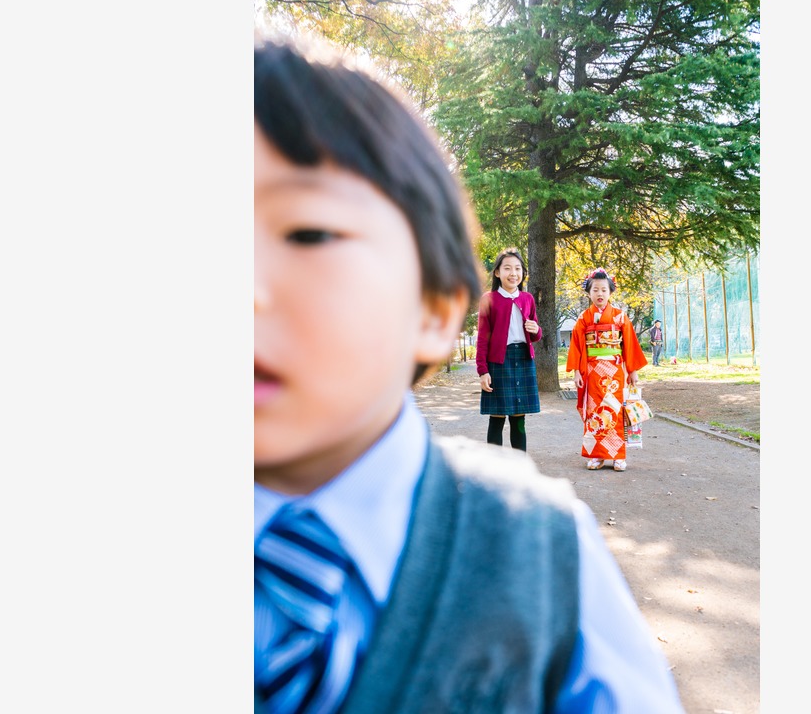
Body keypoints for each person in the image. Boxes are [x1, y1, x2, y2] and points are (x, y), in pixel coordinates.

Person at [254, 37, 685, 713]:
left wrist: (563, 346)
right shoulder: (496, 305)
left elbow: (587, 339)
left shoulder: (540, 556)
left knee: (531, 419)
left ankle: (547, 456)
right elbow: (494, 333)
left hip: (566, 367)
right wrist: (490, 364)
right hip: (517, 365)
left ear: (432, 307)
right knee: (504, 410)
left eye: (308, 233)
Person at [566, 269, 648, 472]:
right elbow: (577, 345)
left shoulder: (620, 317)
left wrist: (632, 371)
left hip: (614, 370)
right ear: (589, 293)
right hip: (592, 371)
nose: (600, 294)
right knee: (595, 413)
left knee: (615, 411)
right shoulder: (583, 318)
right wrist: (576, 371)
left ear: (610, 292)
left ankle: (618, 456)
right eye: (595, 290)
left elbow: (628, 344)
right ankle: (596, 455)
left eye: (604, 289)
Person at [475, 247, 542, 450]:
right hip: (498, 362)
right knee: (496, 417)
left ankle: (520, 466)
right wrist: (482, 371)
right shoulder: (489, 299)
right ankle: (496, 468)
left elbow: (536, 335)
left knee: (518, 418)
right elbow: (482, 338)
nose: (513, 273)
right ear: (497, 272)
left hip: (522, 358)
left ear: (523, 272)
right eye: (507, 268)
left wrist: (536, 329)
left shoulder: (528, 298)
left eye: (518, 268)